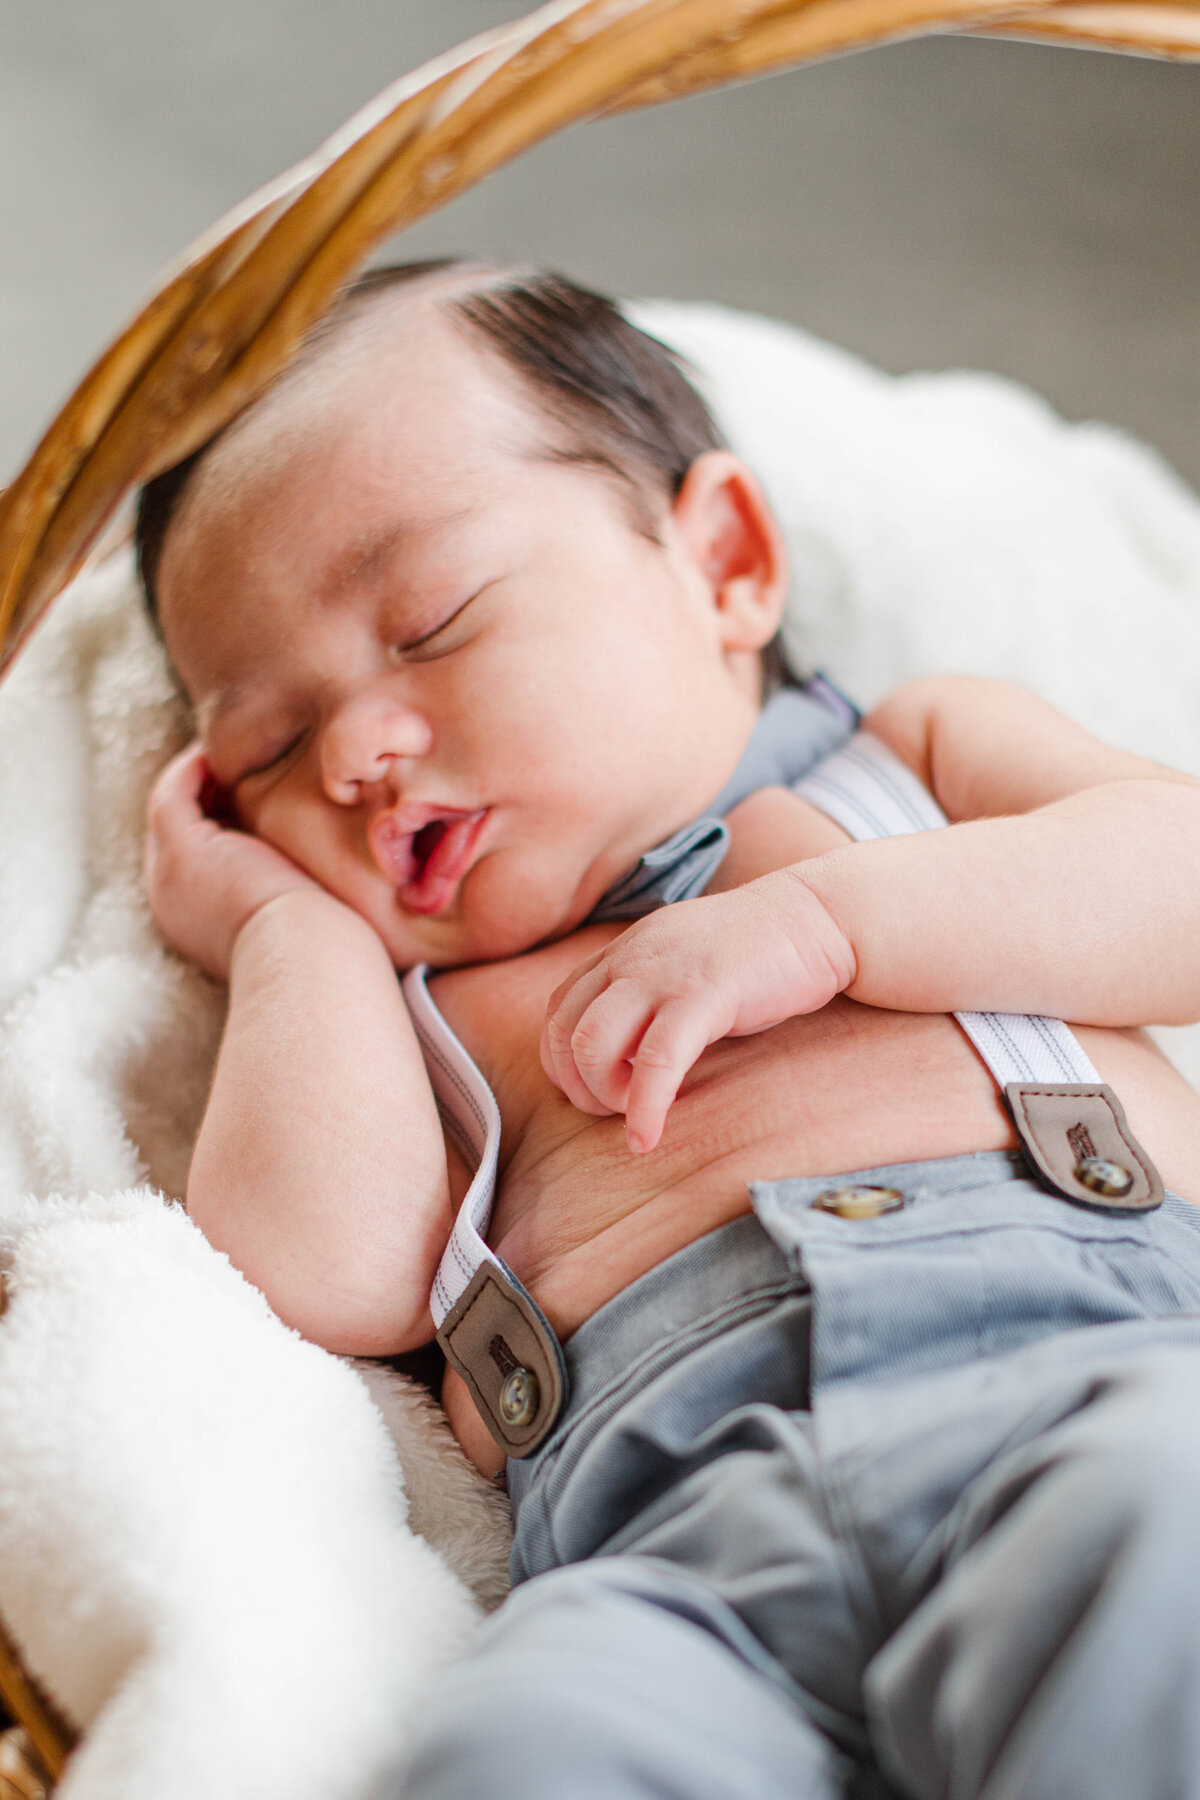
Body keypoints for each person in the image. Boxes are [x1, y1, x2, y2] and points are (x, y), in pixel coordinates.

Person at [140, 261, 1200, 1798]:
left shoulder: (904, 771)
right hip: (679, 1555)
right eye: (274, 746)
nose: (360, 752)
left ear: (723, 563)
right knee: (522, 1749)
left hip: (1082, 1377)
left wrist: (837, 924)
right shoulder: (420, 1010)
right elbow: (324, 1270)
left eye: (428, 624)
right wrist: (279, 933)